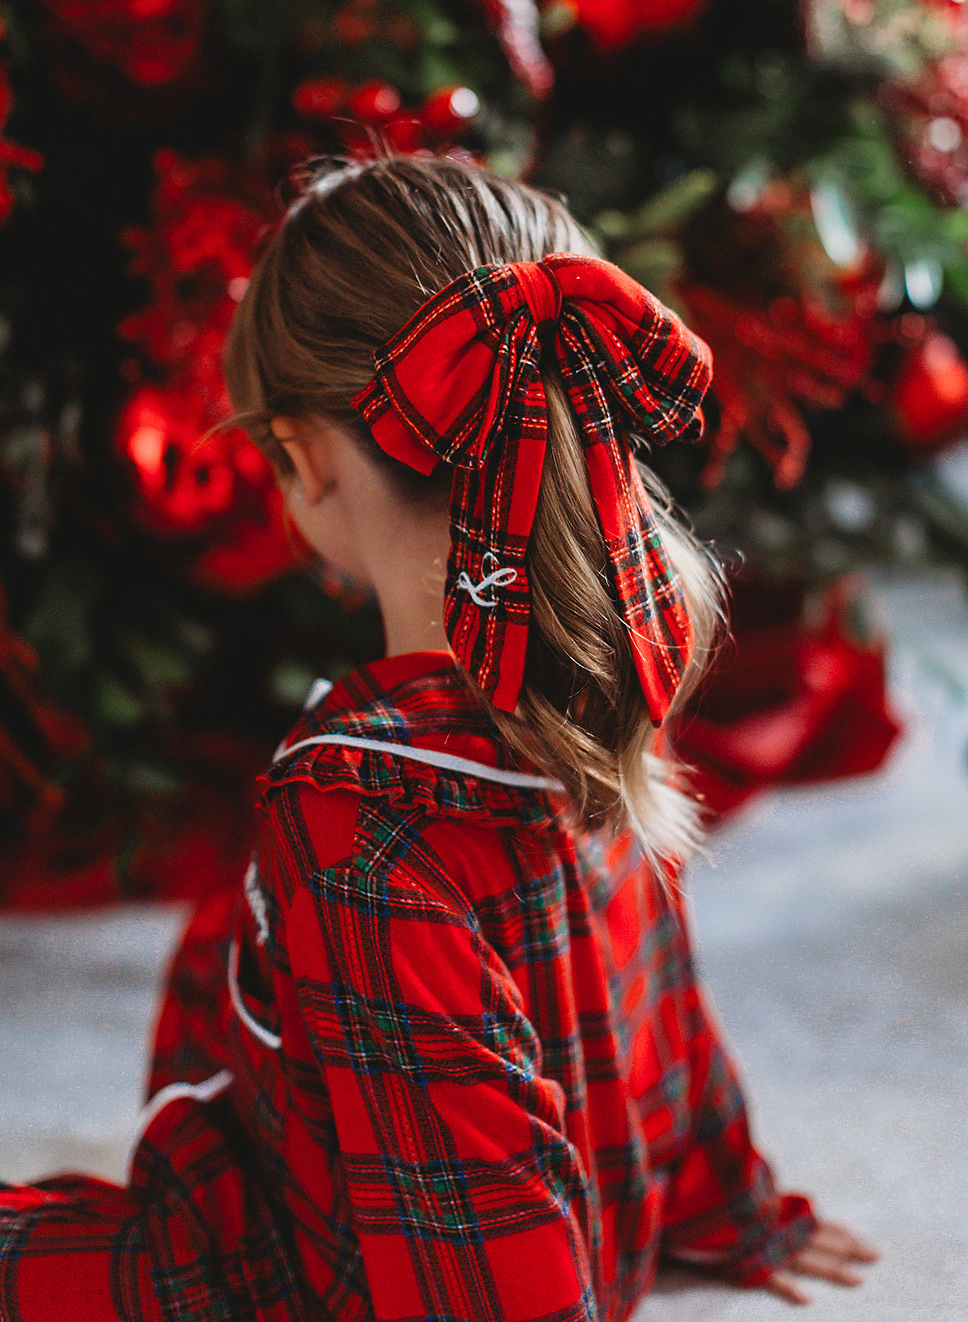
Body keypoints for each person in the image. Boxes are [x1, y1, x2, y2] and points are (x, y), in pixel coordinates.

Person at [0, 155, 877, 1319]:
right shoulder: (601, 677)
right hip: (576, 1193)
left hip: (332, 1261)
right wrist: (728, 1204)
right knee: (229, 926)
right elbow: (651, 1006)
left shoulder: (355, 817)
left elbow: (482, 1273)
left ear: (304, 459)